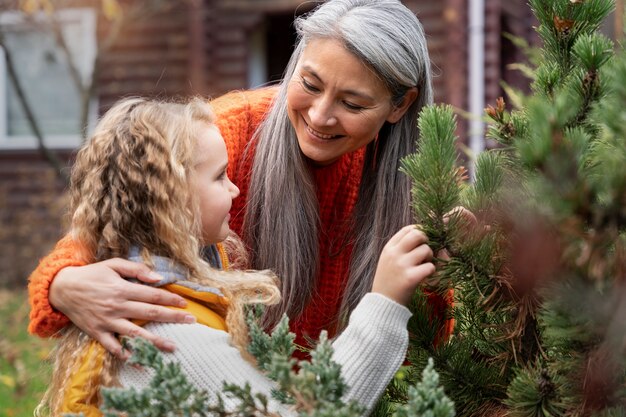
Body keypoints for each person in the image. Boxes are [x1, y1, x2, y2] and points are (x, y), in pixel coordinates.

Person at [28, 0, 453, 357]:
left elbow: (432, 349)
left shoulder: (420, 179)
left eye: (353, 104)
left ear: (400, 106)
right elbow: (108, 225)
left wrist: (457, 268)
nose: (320, 116)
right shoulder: (227, 135)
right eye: (309, 83)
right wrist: (62, 285)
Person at [36, 96, 436, 416]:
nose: (235, 190)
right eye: (219, 177)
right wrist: (384, 303)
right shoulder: (168, 331)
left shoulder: (150, 290)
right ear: (171, 201)